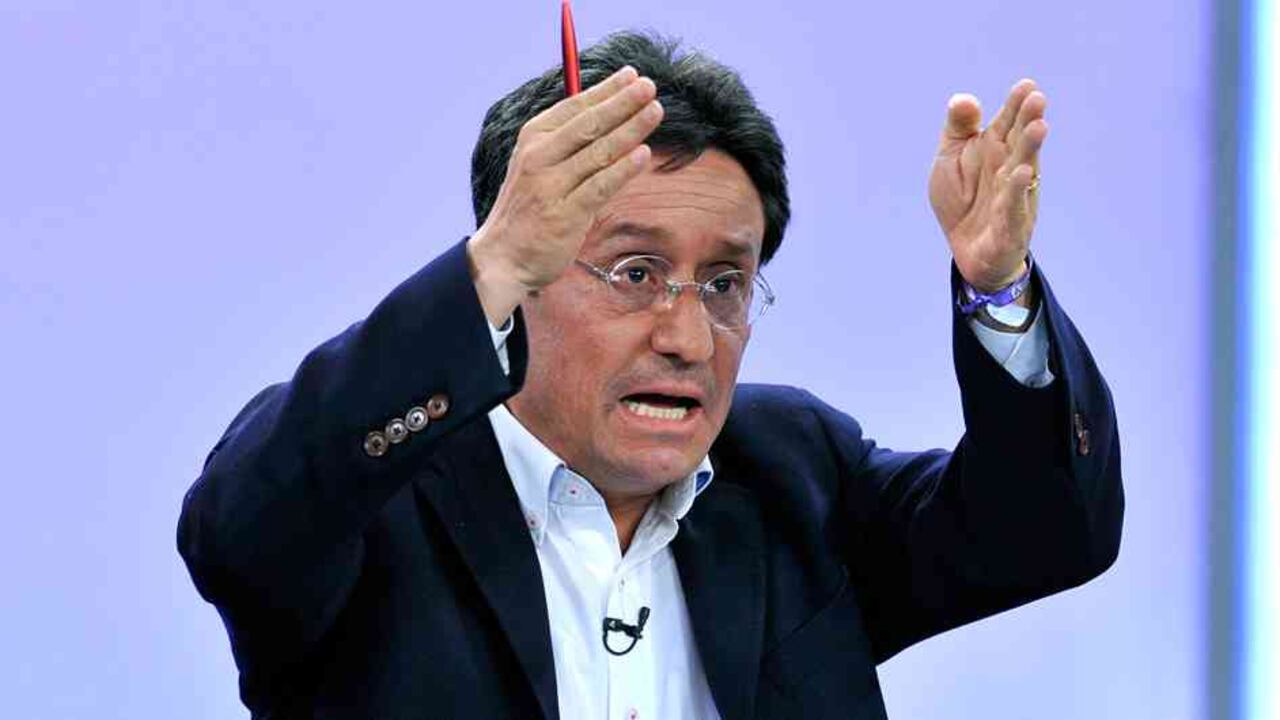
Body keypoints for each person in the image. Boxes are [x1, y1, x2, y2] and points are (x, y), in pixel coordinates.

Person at [178, 31, 1122, 720]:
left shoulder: (792, 474)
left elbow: (1049, 530)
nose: (688, 337)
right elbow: (237, 530)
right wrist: (484, 271)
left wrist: (997, 289)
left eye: (726, 284)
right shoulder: (375, 492)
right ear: (524, 271)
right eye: (635, 273)